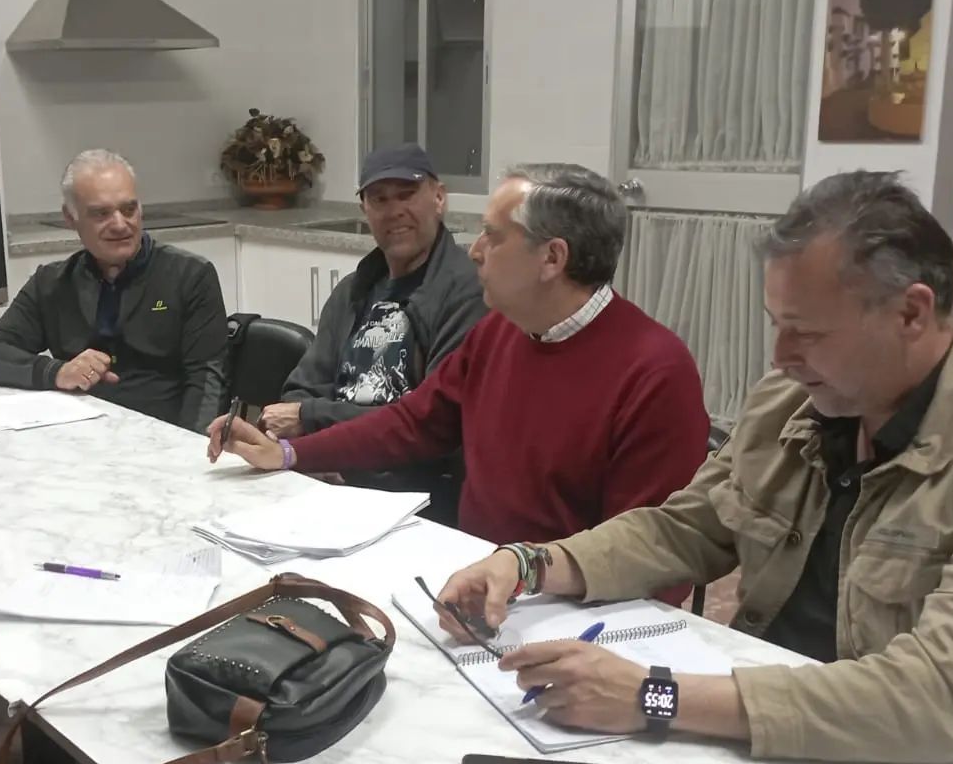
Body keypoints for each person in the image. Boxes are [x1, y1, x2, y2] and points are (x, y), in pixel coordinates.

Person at [435, 171, 953, 764]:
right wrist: (529, 563)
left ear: (911, 314)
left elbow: (947, 693)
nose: (780, 358)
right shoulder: (796, 401)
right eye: (777, 324)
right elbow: (684, 528)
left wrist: (652, 695)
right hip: (760, 740)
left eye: (807, 333)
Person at [209, 163, 709, 603]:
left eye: (493, 236)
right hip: (472, 573)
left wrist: (531, 585)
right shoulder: (501, 331)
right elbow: (415, 422)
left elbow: (654, 560)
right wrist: (292, 453)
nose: (475, 252)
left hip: (566, 608)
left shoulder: (655, 372)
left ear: (552, 258)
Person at [261, 143, 486, 519]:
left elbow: (431, 425)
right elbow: (303, 387)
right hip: (329, 478)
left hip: (413, 500)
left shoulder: (467, 293)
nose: (394, 210)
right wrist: (318, 450)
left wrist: (315, 424)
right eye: (379, 199)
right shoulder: (353, 290)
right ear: (365, 209)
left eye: (406, 194)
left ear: (439, 198)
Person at [0, 148, 227, 432]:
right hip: (78, 435)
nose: (120, 224)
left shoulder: (190, 276)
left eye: (129, 209)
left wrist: (192, 447)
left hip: (161, 434)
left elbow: (207, 382)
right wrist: (56, 372)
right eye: (101, 213)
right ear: (70, 218)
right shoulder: (52, 283)